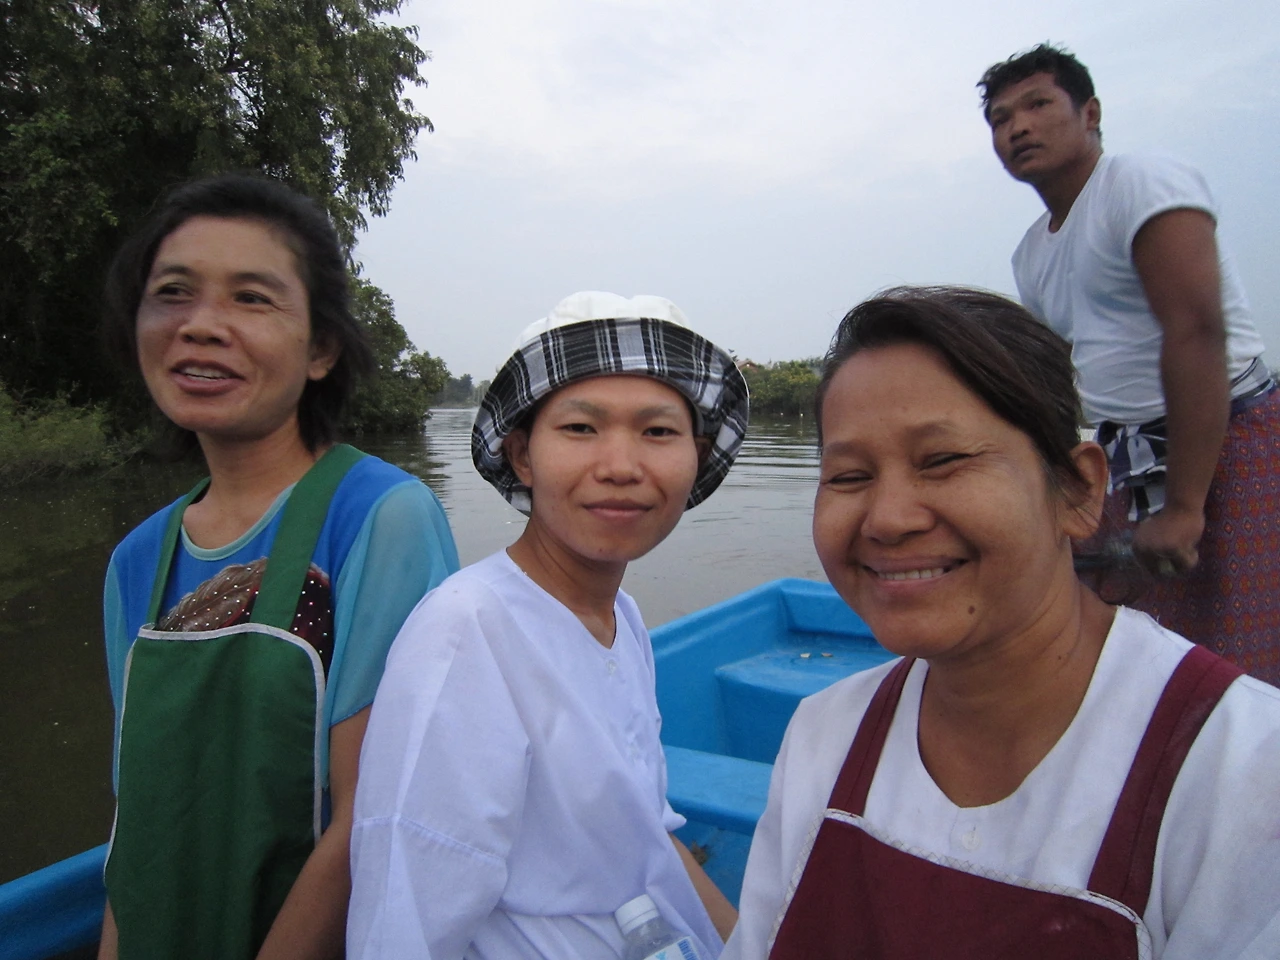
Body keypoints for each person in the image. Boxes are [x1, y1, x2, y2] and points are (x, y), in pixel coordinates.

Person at [723, 287, 1280, 959]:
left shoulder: (1243, 774)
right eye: (848, 476)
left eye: (944, 461)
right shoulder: (824, 733)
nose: (889, 518)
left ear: (1077, 492)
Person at [97, 174, 459, 960]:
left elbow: (375, 816)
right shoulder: (136, 560)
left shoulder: (379, 518)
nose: (200, 326)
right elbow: (139, 815)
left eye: (251, 299)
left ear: (321, 348)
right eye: (173, 294)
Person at [347, 291, 749, 959]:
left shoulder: (619, 613)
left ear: (695, 458)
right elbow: (406, 918)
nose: (621, 466)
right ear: (523, 456)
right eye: (581, 429)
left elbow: (648, 833)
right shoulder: (466, 630)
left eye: (657, 432)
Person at [978, 43, 1279, 685]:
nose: (1018, 127)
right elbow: (1055, 385)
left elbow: (1197, 332)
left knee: (1244, 652)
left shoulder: (1137, 182)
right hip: (1124, 451)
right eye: (1001, 119)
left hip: (1229, 433)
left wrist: (1186, 506)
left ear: (1089, 114)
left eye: (1037, 105)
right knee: (1130, 631)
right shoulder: (1031, 254)